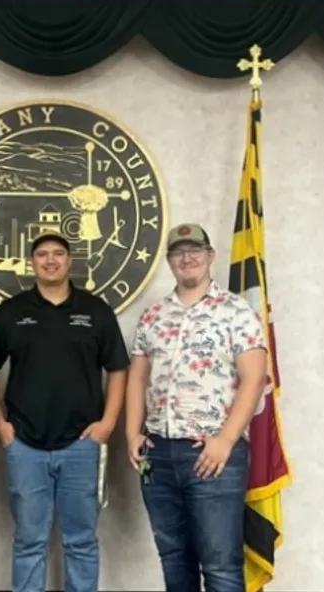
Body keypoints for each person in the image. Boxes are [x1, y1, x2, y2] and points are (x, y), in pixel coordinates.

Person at [125, 223, 268, 592]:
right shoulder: (153, 316)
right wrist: (131, 433)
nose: (187, 258)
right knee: (174, 559)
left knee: (220, 565)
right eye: (178, 252)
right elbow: (138, 377)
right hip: (158, 454)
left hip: (212, 453)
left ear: (210, 257)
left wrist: (225, 440)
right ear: (169, 261)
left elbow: (253, 380)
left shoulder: (237, 312)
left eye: (195, 251)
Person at [0, 231, 130, 592]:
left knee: (80, 541)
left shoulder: (95, 311)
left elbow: (118, 369)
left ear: (69, 260)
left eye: (58, 254)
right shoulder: (11, 312)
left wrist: (107, 424)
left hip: (82, 444)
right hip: (24, 445)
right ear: (32, 263)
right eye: (42, 255)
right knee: (29, 540)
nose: (50, 260)